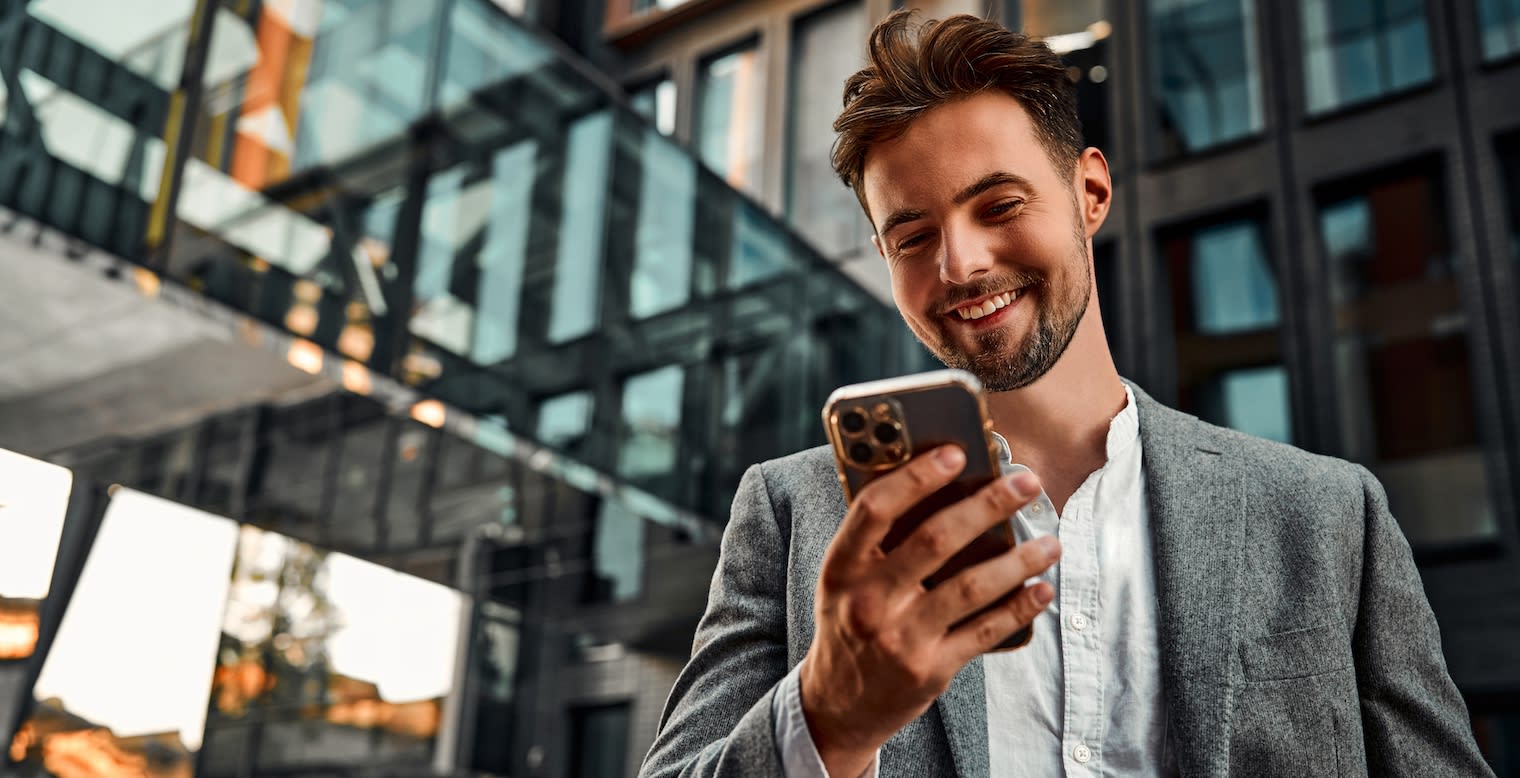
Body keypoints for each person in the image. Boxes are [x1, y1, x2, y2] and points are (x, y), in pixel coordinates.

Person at [639, 11, 1491, 778]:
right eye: (912, 236)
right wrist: (825, 721)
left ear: (1090, 192)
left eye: (999, 204)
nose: (960, 264)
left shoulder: (1329, 515)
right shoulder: (793, 514)